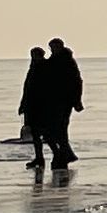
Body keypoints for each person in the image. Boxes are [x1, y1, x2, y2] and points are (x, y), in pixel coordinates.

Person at [40, 37, 83, 165]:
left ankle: (64, 155)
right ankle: (65, 154)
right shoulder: (52, 61)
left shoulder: (67, 61)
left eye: (54, 47)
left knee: (58, 129)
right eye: (51, 48)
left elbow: (77, 82)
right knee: (54, 130)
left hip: (64, 101)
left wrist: (77, 101)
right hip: (53, 101)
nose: (52, 50)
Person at [15, 44, 52, 164]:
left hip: (40, 105)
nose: (33, 57)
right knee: (35, 133)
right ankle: (39, 157)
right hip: (31, 105)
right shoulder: (33, 68)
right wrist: (23, 105)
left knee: (44, 133)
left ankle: (56, 154)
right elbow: (27, 89)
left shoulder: (43, 68)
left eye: (35, 55)